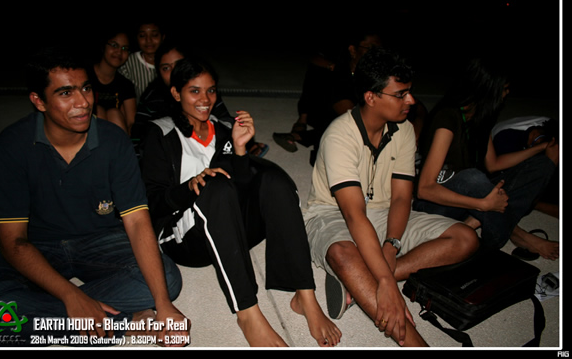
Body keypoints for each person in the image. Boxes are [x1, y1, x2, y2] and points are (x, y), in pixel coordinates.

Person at [0, 46, 189, 347]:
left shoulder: (113, 140)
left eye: (87, 88)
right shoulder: (13, 144)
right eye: (66, 93)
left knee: (167, 280)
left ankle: (32, 321)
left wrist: (163, 304)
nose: (83, 102)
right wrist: (70, 295)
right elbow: (13, 241)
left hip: (101, 240)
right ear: (38, 101)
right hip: (38, 245)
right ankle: (125, 324)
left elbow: (136, 221)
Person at [140, 57, 341, 347]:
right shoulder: (159, 133)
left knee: (274, 181)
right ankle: (247, 313)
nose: (205, 99)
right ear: (176, 93)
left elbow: (241, 188)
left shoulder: (223, 129)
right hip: (185, 239)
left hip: (227, 228)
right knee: (214, 186)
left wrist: (239, 150)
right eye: (194, 91)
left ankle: (305, 295)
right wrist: (189, 187)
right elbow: (154, 203)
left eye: (211, 90)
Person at [303, 47, 479, 347]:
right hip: (333, 214)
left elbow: (401, 199)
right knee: (344, 254)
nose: (411, 101)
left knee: (465, 238)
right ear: (371, 97)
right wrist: (386, 284)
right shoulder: (339, 135)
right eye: (400, 94)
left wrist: (390, 247)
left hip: (385, 214)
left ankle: (360, 282)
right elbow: (354, 215)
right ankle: (416, 343)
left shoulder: (404, 130)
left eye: (409, 92)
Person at [413, 56, 559, 261]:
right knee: (473, 178)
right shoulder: (448, 119)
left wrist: (541, 148)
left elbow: (494, 164)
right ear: (488, 89)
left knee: (541, 165)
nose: (507, 93)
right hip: (437, 204)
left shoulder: (481, 117)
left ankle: (474, 222)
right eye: (504, 88)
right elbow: (425, 189)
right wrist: (481, 204)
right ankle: (515, 234)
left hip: (473, 198)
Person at [132, 39, 268, 159]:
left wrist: (239, 138)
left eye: (179, 64)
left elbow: (224, 120)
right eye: (166, 68)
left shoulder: (205, 92)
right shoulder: (152, 98)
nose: (174, 71)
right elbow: (137, 138)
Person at [273, 29, 382, 165]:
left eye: (378, 48)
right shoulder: (341, 71)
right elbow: (350, 114)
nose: (375, 53)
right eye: (369, 48)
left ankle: (299, 136)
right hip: (327, 114)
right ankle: (303, 123)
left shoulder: (378, 74)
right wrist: (332, 66)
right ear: (353, 50)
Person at [87, 27, 137, 134]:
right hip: (86, 132)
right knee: (98, 111)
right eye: (114, 45)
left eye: (124, 48)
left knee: (114, 113)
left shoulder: (125, 85)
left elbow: (131, 122)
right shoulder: (85, 76)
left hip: (116, 132)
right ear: (103, 46)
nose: (119, 52)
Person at [118, 20, 166, 100]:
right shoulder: (127, 62)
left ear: (163, 37)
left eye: (154, 35)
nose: (148, 40)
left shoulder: (171, 61)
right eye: (142, 36)